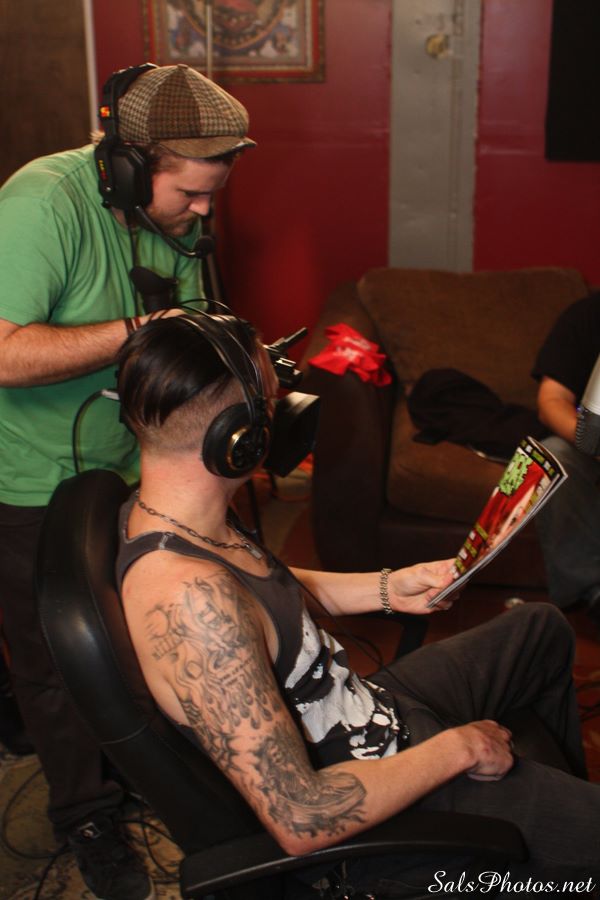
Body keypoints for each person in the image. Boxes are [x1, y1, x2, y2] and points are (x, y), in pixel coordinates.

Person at [115, 313, 600, 896]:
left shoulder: (178, 509)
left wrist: (390, 587)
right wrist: (459, 747)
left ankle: (554, 837)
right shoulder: (190, 602)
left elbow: (264, 589)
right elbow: (303, 818)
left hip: (368, 712)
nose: (282, 413)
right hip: (378, 810)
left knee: (540, 630)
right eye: (271, 402)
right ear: (237, 438)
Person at [0, 63, 254, 900]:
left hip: (132, 464)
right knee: (57, 660)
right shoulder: (41, 207)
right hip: (27, 475)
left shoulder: (167, 219)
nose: (205, 211)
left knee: (144, 631)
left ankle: (148, 769)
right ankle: (85, 813)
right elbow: (2, 351)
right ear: (130, 168)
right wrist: (141, 330)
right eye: (192, 193)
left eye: (214, 192)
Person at [532, 292, 600, 623]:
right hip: (592, 444)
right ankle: (593, 592)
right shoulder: (589, 315)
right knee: (554, 456)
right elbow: (552, 401)